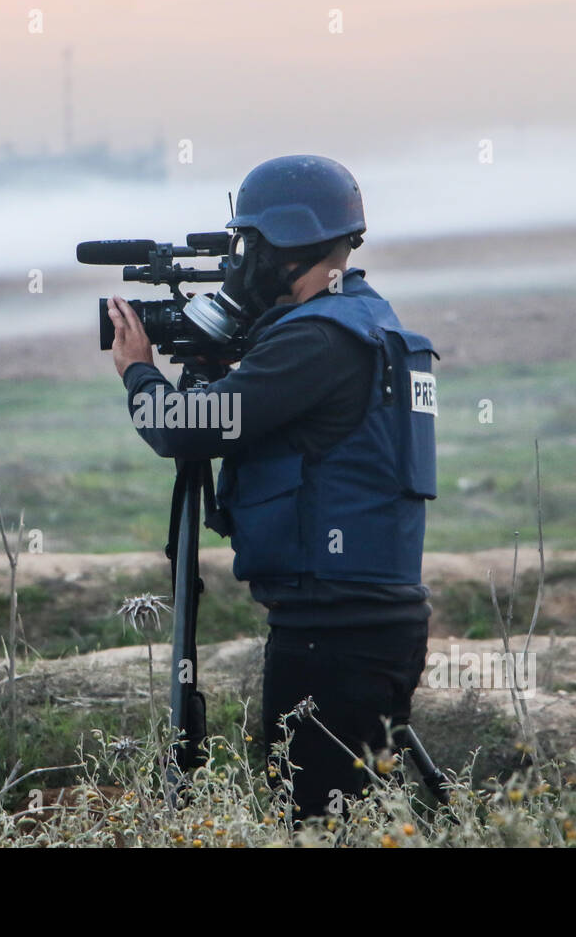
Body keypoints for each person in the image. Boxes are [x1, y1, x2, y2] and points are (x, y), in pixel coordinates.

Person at [107, 154, 438, 819]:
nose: (239, 263)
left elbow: (184, 428)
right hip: (368, 620)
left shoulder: (317, 340)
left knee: (315, 822)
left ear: (279, 245)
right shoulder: (369, 322)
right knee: (348, 814)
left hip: (334, 633)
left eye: (246, 245)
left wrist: (138, 371)